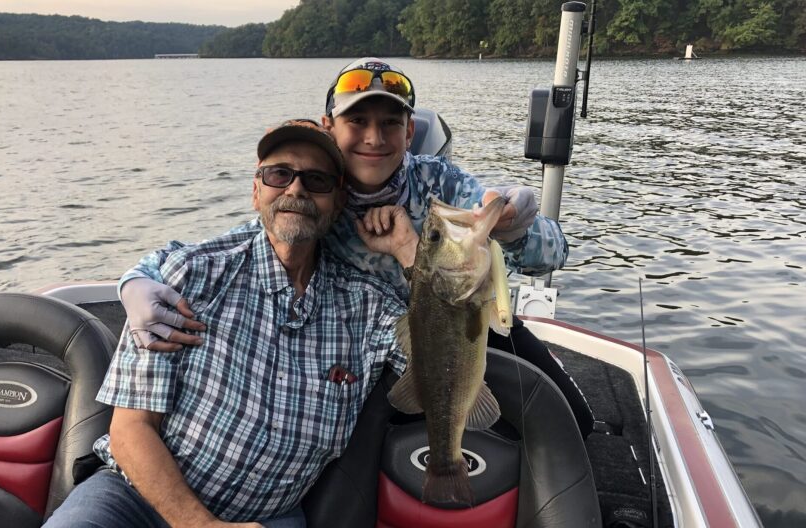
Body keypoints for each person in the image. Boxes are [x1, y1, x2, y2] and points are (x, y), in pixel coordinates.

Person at [119, 58, 594, 438]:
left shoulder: (439, 183)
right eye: (358, 120)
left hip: (462, 327)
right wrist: (135, 282)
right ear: (330, 126)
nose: (374, 137)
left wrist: (514, 228)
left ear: (410, 133)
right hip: (355, 353)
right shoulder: (314, 192)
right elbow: (240, 239)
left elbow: (553, 253)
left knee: (572, 419)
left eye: (391, 123)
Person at [43, 120, 412, 528]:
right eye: (279, 174)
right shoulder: (193, 276)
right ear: (257, 191)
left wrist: (410, 251)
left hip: (269, 516)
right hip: (133, 496)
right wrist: (201, 525)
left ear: (339, 201)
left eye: (317, 180)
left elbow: (441, 366)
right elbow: (131, 430)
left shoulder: (367, 305)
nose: (295, 190)